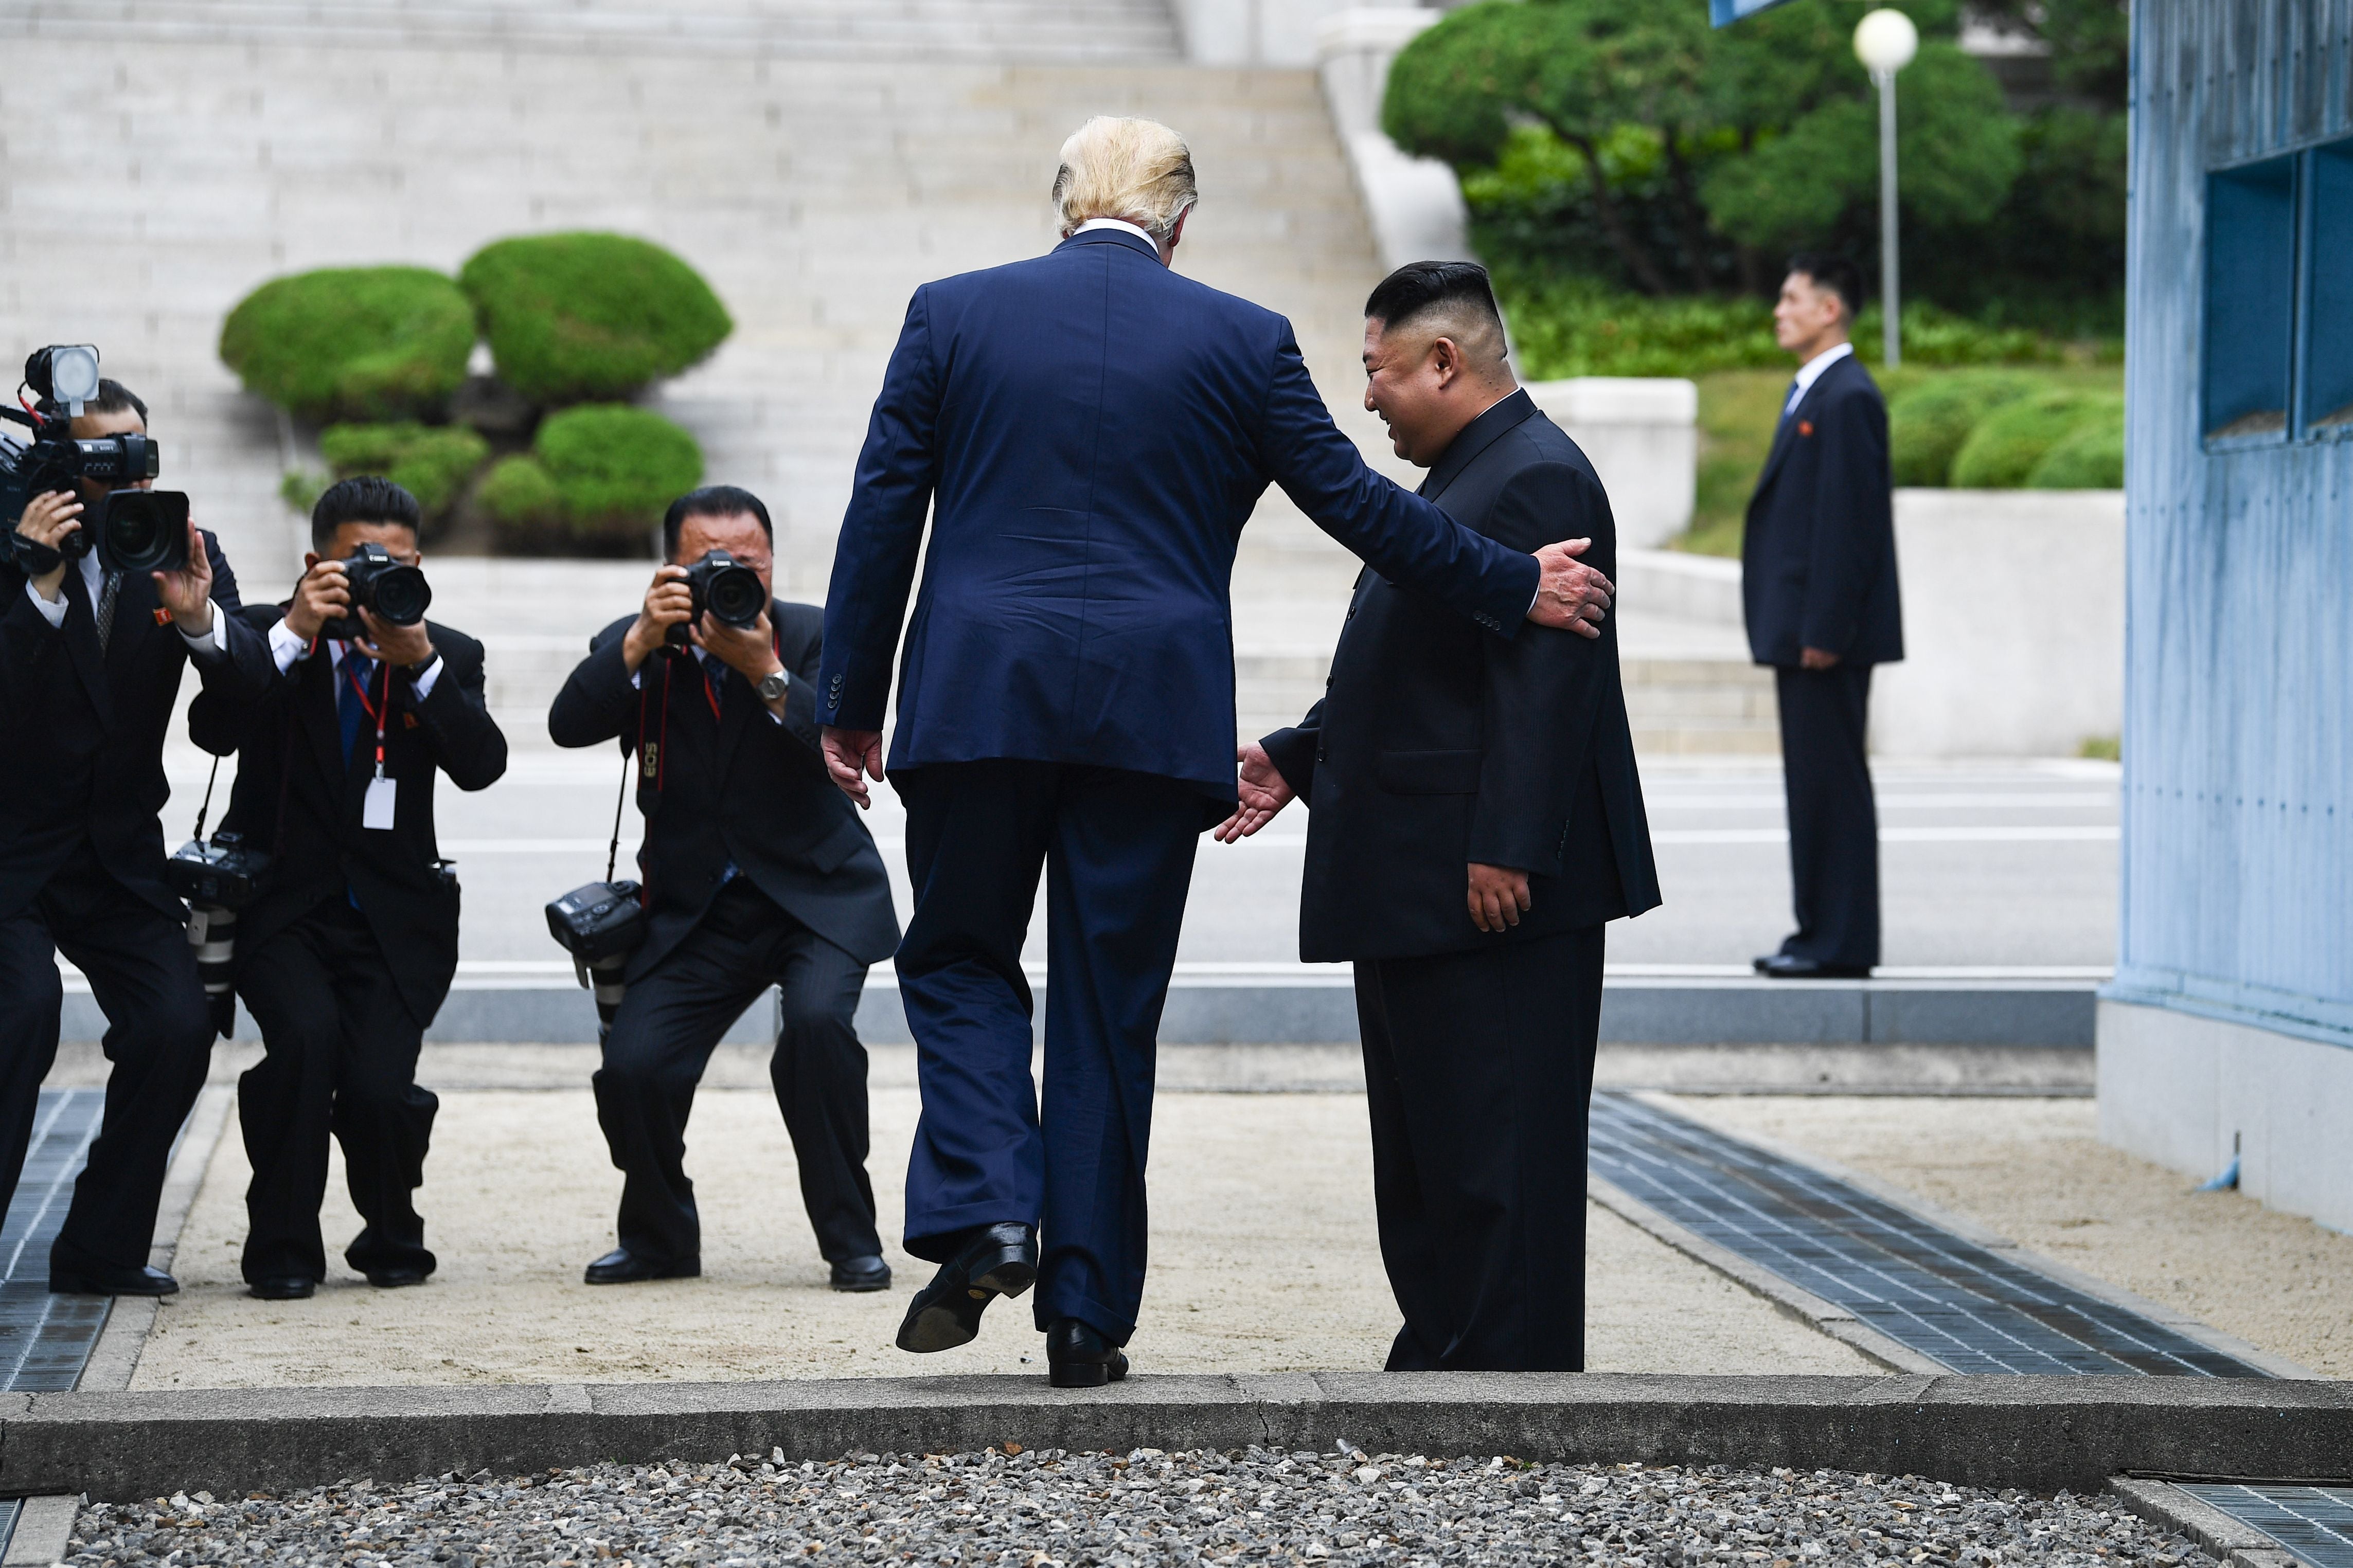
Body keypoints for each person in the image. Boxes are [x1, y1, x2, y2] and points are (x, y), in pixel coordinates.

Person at [816, 117, 1617, 1387]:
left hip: (979, 698)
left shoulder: (951, 314)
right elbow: (1358, 504)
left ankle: (987, 1204)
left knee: (962, 957)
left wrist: (848, 699)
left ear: (1062, 206)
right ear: (1180, 226)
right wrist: (1511, 581)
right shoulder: (1241, 339)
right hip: (1151, 721)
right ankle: (1084, 1316)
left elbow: (882, 511)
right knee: (1107, 1006)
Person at [1221, 261, 1660, 1371]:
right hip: (1423, 875)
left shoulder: (1536, 476)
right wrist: (1297, 752)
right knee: (1433, 1142)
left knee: (1497, 1144)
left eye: (1375, 371)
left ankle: (1504, 1372)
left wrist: (1507, 845)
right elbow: (1419, 658)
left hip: (1488, 883)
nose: (1366, 397)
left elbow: (1547, 681)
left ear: (1442, 362)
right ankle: (1447, 1349)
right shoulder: (1473, 473)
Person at [549, 485, 901, 1291]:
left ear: (771, 563)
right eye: (707, 562)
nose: (728, 576)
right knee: (633, 1067)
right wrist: (640, 638)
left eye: (746, 563)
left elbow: (840, 748)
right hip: (696, 908)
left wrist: (766, 671)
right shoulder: (644, 641)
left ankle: (852, 1240)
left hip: (814, 895)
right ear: (671, 566)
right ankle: (660, 1237)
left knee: (815, 1034)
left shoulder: (814, 633)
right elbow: (568, 722)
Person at [187, 476, 508, 1299]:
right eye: (356, 562)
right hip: (279, 907)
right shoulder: (263, 634)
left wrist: (423, 665)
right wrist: (294, 631)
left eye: (392, 563)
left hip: (397, 918)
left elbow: (482, 766)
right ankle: (283, 1247)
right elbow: (212, 729)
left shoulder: (447, 650)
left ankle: (392, 1230)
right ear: (314, 562)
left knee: (375, 1087)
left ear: (419, 564)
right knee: (301, 1045)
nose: (372, 579)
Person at [0, 375, 273, 1295]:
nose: (122, 479)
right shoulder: (11, 551)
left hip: (116, 852)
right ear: (55, 462)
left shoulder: (183, 550)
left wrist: (202, 623)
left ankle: (100, 1249)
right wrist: (36, 583)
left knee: (175, 1025)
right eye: (98, 459)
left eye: (137, 458)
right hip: (8, 850)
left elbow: (242, 718)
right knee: (21, 1015)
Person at [1743, 255, 1904, 980]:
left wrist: (1823, 632)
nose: (1779, 310)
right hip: (1803, 630)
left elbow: (1849, 524)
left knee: (1830, 786)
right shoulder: (1814, 391)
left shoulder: (1846, 397)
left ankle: (1836, 942)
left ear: (1829, 309)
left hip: (1821, 638)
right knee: (1813, 786)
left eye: (1791, 298)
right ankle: (1817, 933)